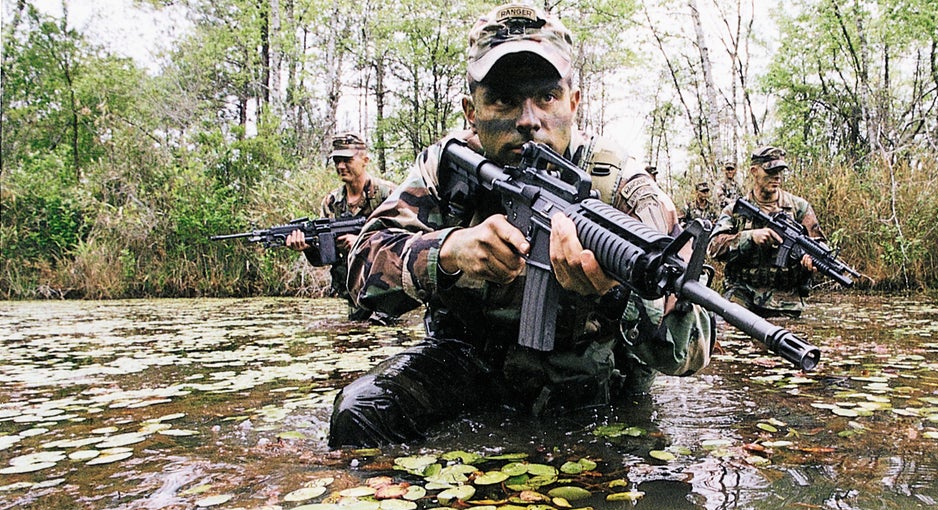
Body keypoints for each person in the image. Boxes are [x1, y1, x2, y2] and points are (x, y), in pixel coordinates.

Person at [327, 3, 714, 448]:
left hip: (594, 385)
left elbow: (694, 348)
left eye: (546, 97)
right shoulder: (447, 169)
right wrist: (448, 253)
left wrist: (614, 296)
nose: (528, 119)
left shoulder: (622, 186)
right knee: (361, 412)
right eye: (503, 100)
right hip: (471, 365)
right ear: (471, 111)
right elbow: (362, 269)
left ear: (574, 102)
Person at [286, 132, 395, 322]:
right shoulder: (332, 202)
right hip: (354, 297)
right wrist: (307, 248)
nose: (340, 166)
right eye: (337, 161)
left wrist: (363, 243)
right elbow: (325, 258)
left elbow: (407, 240)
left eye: (347, 160)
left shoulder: (388, 195)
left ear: (364, 160)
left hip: (390, 294)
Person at [707, 145, 826, 316]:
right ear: (754, 171)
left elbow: (818, 244)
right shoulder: (735, 210)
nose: (777, 177)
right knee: (728, 335)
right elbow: (713, 248)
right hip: (742, 295)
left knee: (786, 341)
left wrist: (811, 262)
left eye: (780, 171)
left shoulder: (799, 208)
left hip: (786, 300)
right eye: (770, 171)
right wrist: (749, 238)